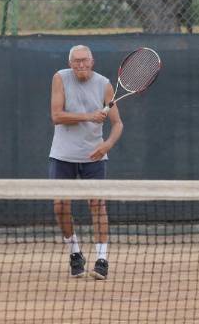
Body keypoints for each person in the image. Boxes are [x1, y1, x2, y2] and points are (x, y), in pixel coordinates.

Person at [49, 45, 123, 280]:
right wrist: (89, 116)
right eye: (76, 61)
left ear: (92, 61)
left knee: (97, 205)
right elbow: (57, 116)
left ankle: (102, 260)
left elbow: (118, 124)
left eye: (84, 60)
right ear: (70, 63)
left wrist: (107, 145)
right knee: (60, 207)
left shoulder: (105, 84)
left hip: (94, 158)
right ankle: (75, 254)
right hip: (63, 155)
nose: (80, 64)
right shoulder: (60, 78)